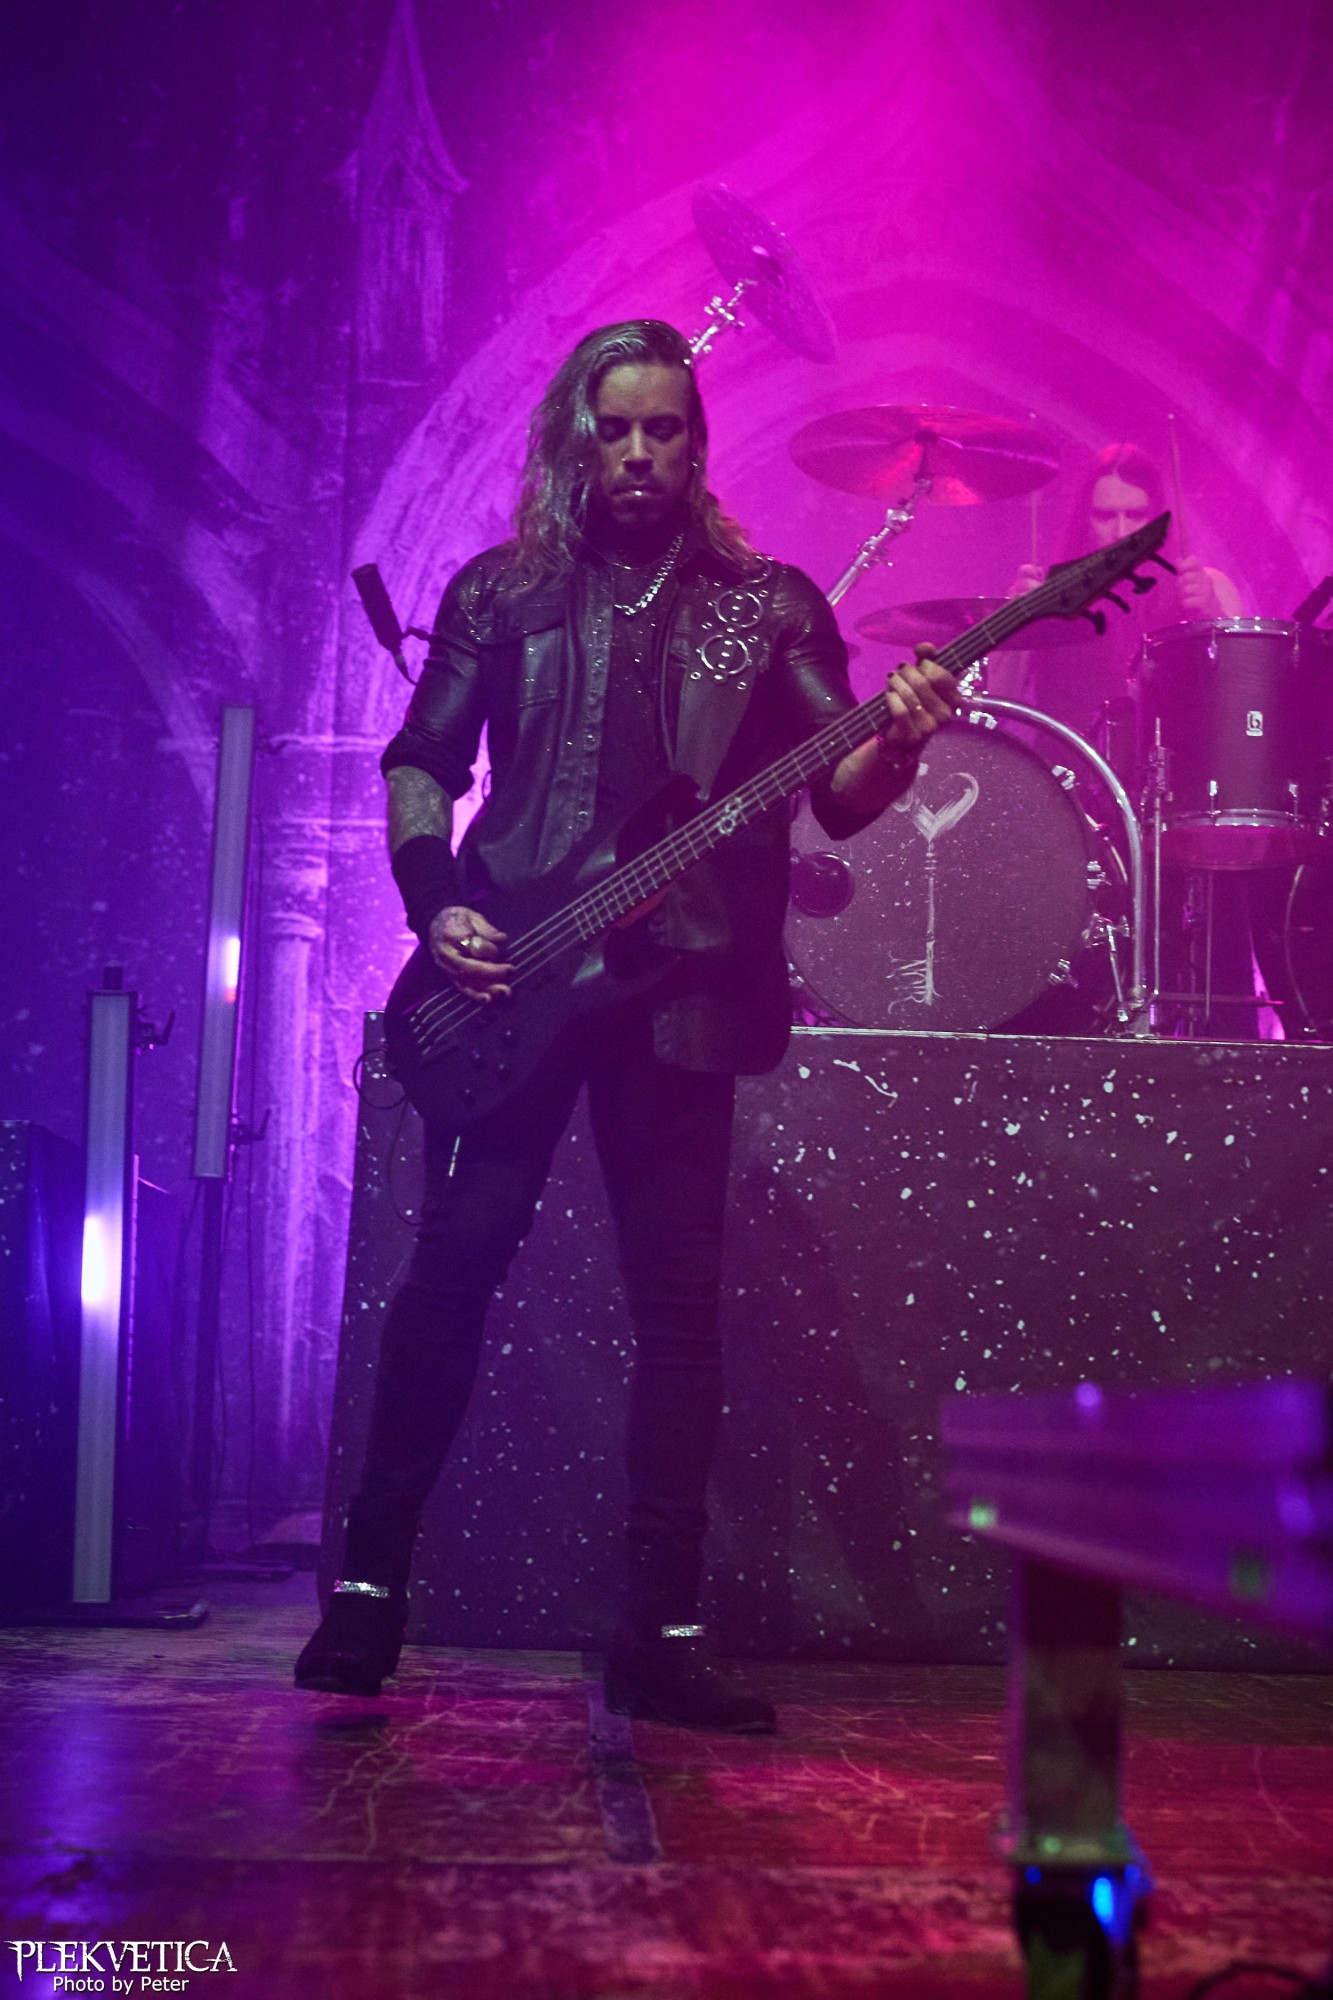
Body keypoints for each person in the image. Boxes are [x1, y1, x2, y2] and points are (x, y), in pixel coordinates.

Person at [295, 319, 961, 1731]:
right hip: (513, 978)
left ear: (697, 445)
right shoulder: (500, 593)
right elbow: (421, 761)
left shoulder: (768, 605)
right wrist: (433, 901)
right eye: (617, 429)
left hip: (686, 994)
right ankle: (365, 1593)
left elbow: (840, 793)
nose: (641, 453)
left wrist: (899, 740)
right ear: (574, 441)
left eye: (666, 429)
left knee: (678, 1317)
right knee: (450, 1274)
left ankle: (659, 1633)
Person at [992, 443, 1242, 742]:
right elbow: (996, 702)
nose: (1122, 533)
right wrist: (1015, 621)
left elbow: (1247, 703)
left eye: (1135, 515)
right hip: (1066, 766)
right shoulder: (1046, 594)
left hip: (1174, 765)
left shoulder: (1204, 587)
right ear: (1084, 521)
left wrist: (1211, 611)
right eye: (1106, 517)